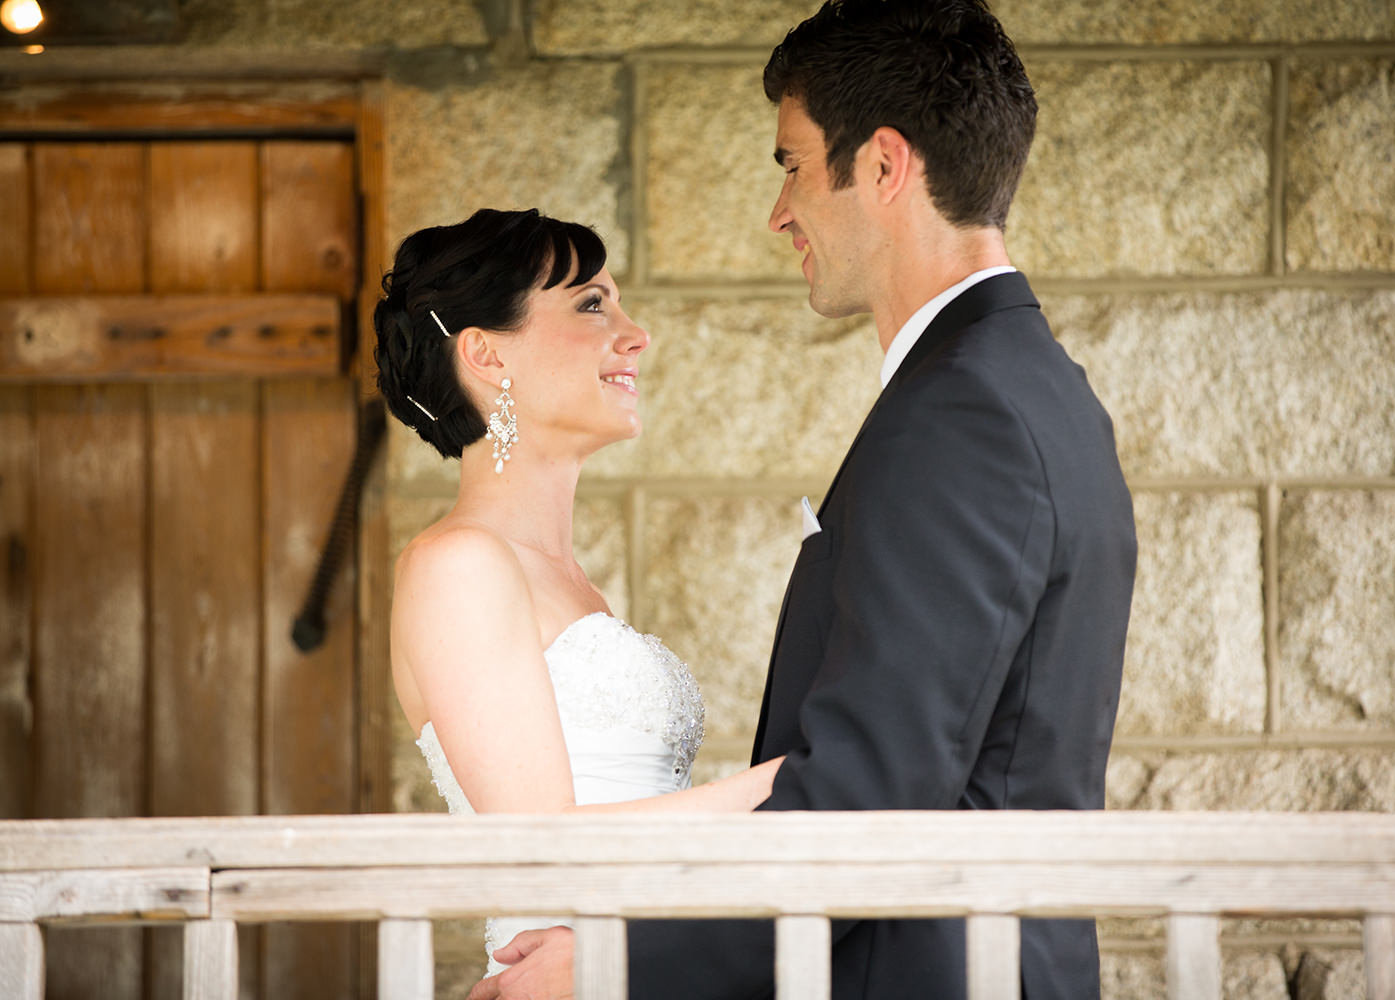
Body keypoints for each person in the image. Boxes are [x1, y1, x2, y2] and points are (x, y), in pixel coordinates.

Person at [471, 0, 1137, 997]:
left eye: (791, 163)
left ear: (883, 166)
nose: (779, 211)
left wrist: (613, 963)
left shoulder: (966, 412)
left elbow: (868, 795)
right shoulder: (1038, 389)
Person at [374, 207, 784, 977]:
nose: (636, 334)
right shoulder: (456, 563)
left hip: (629, 965)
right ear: (487, 355)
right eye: (593, 304)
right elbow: (543, 838)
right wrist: (792, 784)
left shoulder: (570, 581)